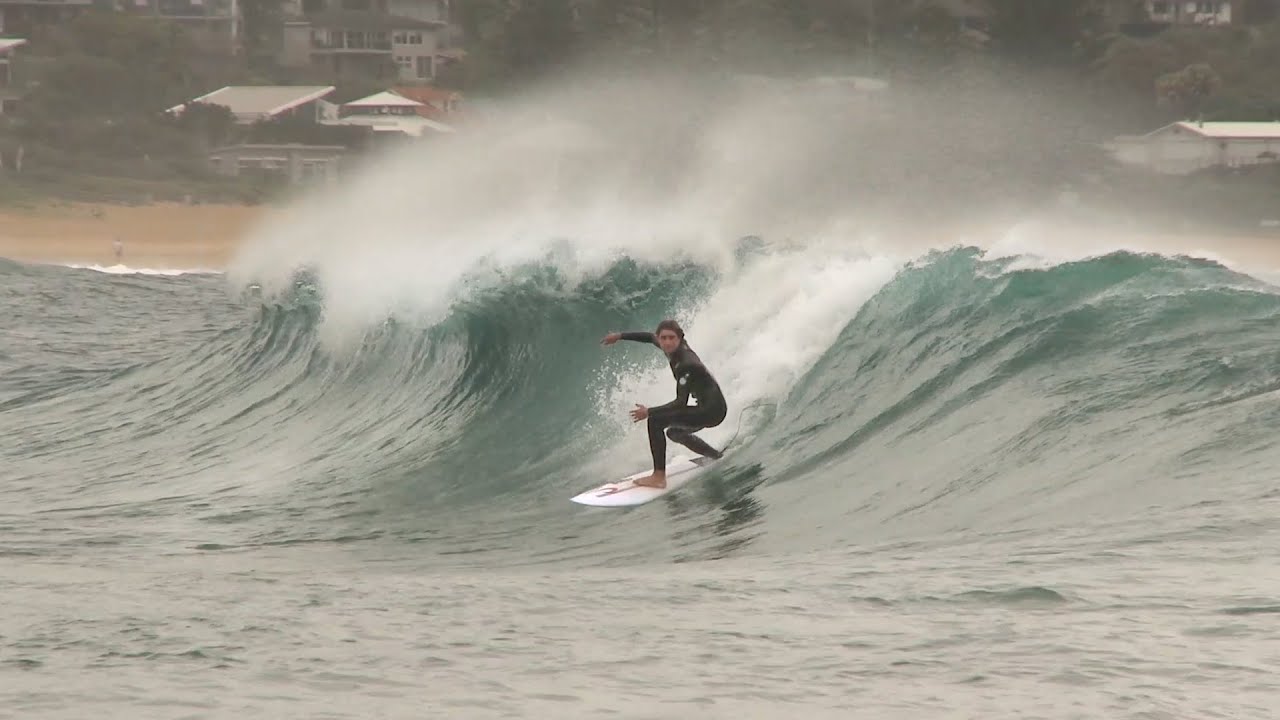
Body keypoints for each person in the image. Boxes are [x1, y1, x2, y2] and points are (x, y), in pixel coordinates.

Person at [601, 319, 727, 489]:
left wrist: (649, 412)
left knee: (656, 421)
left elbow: (680, 403)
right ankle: (714, 456)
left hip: (712, 411)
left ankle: (659, 477)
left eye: (671, 338)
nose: (667, 342)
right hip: (706, 406)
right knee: (674, 433)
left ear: (680, 338)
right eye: (663, 338)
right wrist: (619, 336)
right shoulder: (668, 346)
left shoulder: (686, 364)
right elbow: (647, 337)